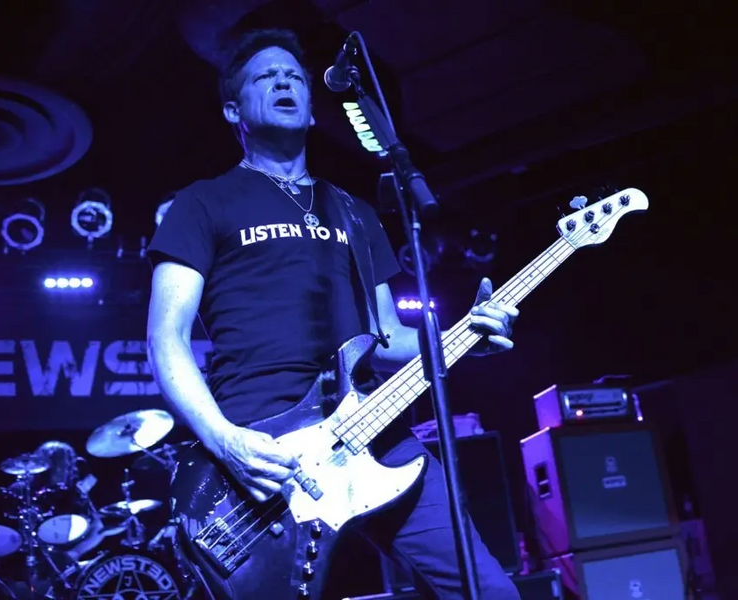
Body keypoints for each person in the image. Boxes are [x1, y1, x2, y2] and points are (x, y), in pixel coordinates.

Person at [146, 28, 521, 600]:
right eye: (265, 76)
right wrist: (226, 442)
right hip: (263, 449)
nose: (284, 81)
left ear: (313, 108)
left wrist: (465, 334)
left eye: (294, 76)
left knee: (490, 592)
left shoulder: (353, 210)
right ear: (233, 110)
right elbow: (166, 339)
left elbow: (388, 337)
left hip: (373, 430)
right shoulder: (202, 202)